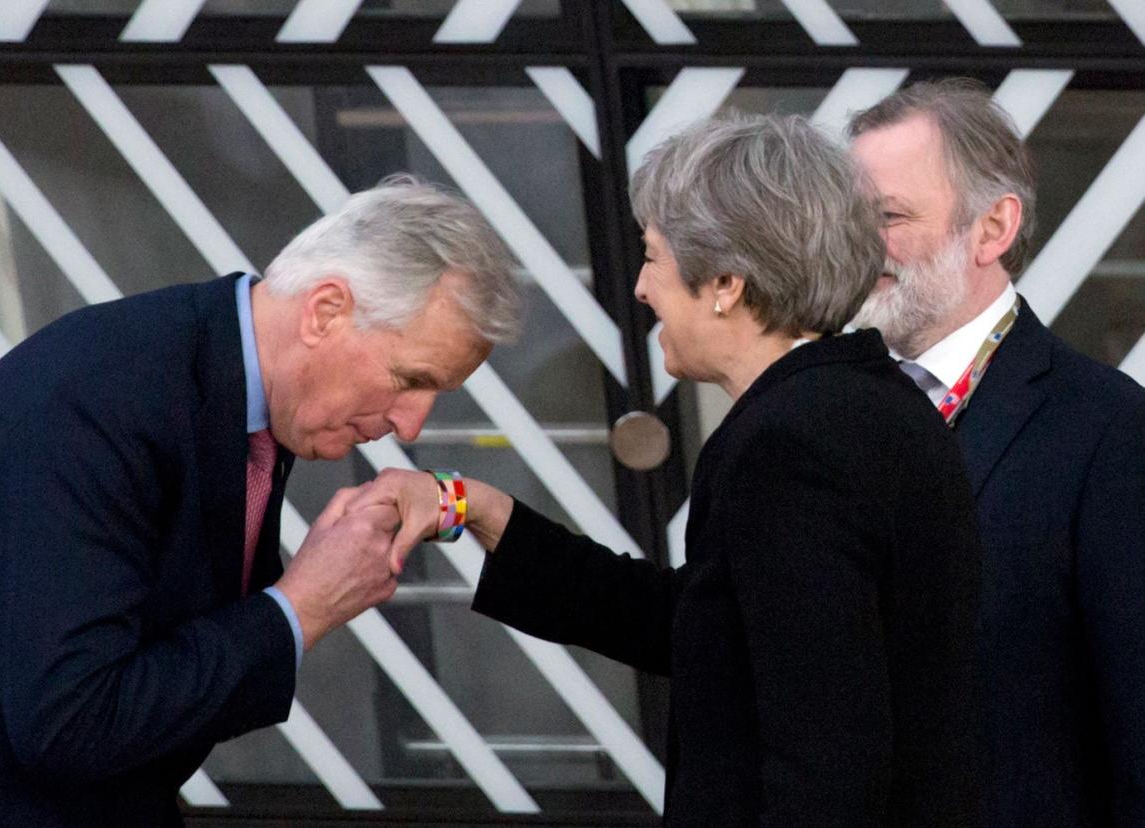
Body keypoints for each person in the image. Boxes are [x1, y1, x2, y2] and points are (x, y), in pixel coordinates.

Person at [340, 114, 984, 825]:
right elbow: (703, 626)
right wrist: (478, 511)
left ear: (727, 284)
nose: (642, 287)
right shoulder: (871, 405)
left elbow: (825, 755)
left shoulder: (791, 446)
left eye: (653, 256)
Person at [0, 176, 521, 826]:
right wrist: (300, 607)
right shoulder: (96, 399)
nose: (414, 423)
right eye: (410, 380)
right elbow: (73, 723)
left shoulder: (251, 391)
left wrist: (451, 504)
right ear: (326, 312)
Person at [848, 78, 1145, 826]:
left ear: (992, 229)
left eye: (887, 217)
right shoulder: (830, 409)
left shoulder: (1107, 430)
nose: (859, 245)